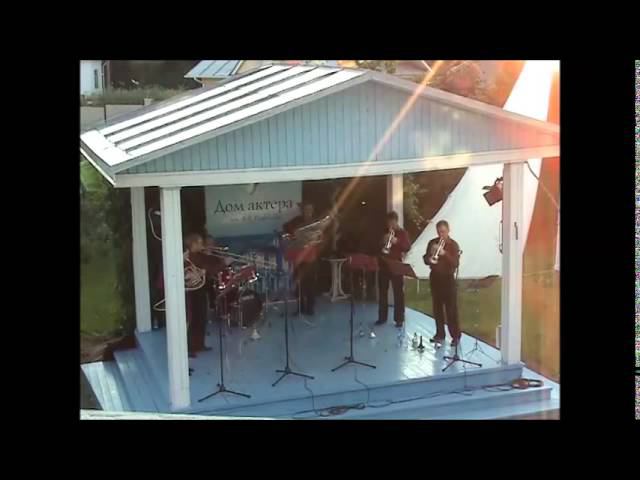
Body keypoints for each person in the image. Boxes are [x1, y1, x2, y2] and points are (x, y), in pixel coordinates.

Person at [423, 220, 462, 346]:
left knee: (451, 310)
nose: (441, 235)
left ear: (448, 231)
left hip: (448, 279)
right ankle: (440, 334)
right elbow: (425, 259)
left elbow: (455, 263)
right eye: (439, 232)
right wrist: (430, 256)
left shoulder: (453, 245)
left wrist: (444, 254)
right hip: (435, 278)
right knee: (437, 308)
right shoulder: (432, 243)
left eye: (443, 232)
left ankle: (455, 336)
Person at [283, 202, 320, 315]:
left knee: (310, 284)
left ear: (312, 211)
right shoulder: (297, 221)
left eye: (310, 209)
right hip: (299, 257)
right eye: (306, 209)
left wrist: (314, 239)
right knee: (299, 284)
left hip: (311, 258)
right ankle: (300, 308)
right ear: (302, 210)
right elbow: (285, 227)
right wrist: (293, 237)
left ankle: (310, 308)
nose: (308, 211)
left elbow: (320, 237)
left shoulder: (315, 222)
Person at [183, 232, 216, 357]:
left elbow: (210, 267)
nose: (202, 245)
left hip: (201, 290)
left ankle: (199, 344)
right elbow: (187, 273)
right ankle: (189, 347)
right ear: (193, 244)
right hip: (192, 291)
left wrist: (209, 258)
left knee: (202, 318)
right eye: (200, 243)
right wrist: (198, 272)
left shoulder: (200, 255)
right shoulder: (188, 256)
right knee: (193, 320)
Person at [376, 211, 411, 328]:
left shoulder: (402, 233)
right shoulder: (383, 232)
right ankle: (382, 317)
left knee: (398, 293)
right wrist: (383, 241)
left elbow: (407, 247)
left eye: (392, 222)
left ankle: (399, 319)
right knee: (382, 292)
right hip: (384, 265)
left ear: (396, 221)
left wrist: (397, 241)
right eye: (388, 223)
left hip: (396, 265)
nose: (390, 225)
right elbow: (377, 247)